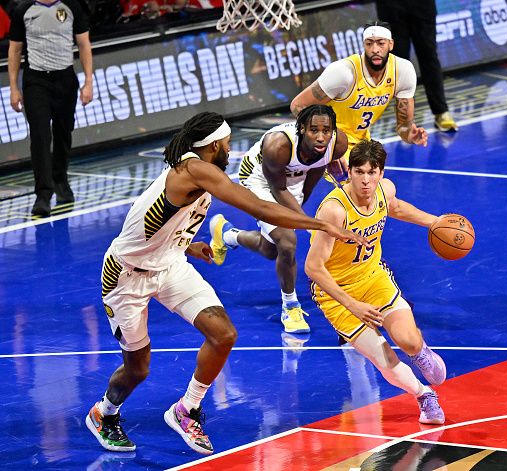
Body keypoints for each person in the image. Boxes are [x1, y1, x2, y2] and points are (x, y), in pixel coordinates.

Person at [85, 112, 368, 454]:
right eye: (229, 143)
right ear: (215, 144)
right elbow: (260, 207)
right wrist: (319, 225)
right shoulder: (196, 169)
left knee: (224, 335)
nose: (232, 149)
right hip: (127, 275)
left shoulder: (193, 171)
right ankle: (104, 412)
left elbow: (151, 217)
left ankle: (186, 409)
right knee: (138, 368)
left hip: (171, 263)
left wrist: (186, 244)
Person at [305, 139, 447, 425]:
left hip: (373, 276)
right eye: (360, 172)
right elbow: (313, 267)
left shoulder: (385, 190)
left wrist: (434, 222)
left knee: (408, 341)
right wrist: (352, 304)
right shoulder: (335, 210)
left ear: (381, 173)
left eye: (372, 172)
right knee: (384, 361)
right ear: (350, 173)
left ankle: (420, 350)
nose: (366, 180)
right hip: (337, 293)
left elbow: (394, 207)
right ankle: (423, 395)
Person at [208, 105, 348, 334]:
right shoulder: (279, 145)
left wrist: (300, 215)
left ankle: (227, 235)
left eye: (326, 130)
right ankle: (290, 305)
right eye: (314, 130)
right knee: (287, 241)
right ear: (302, 128)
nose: (321, 137)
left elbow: (313, 171)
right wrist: (310, 224)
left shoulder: (337, 144)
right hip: (259, 179)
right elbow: (278, 188)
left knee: (272, 249)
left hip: (294, 180)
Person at [290, 21, 428, 183]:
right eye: (369, 44)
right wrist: (327, 148)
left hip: (361, 143)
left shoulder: (402, 71)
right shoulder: (344, 72)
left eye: (381, 43)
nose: (375, 49)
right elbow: (298, 105)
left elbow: (404, 126)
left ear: (391, 45)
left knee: (385, 194)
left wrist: (410, 134)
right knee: (362, 191)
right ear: (363, 45)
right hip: (332, 142)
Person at [8, 0, 93, 217]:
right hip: (36, 80)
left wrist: (88, 82)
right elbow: (15, 49)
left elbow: (84, 44)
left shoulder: (72, 6)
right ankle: (43, 194)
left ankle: (60, 181)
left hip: (65, 78)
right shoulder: (23, 10)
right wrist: (14, 88)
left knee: (63, 134)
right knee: (40, 136)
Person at [375, 1, 459, 132]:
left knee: (429, 57)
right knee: (399, 64)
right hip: (392, 7)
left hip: (422, 7)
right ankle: (405, 120)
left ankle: (441, 112)